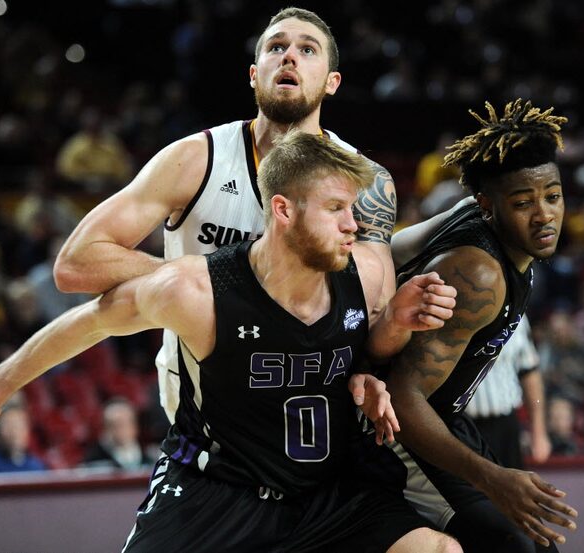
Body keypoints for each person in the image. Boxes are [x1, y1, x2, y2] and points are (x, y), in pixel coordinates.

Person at [0, 131, 460, 553]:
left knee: (437, 549)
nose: (354, 225)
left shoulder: (365, 270)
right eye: (337, 209)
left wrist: (382, 346)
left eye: (354, 210)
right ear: (283, 211)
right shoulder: (196, 289)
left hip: (325, 495)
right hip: (217, 491)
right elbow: (90, 321)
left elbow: (363, 351)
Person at [51, 7, 401, 428]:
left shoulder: (365, 180)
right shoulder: (195, 159)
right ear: (254, 73)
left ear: (332, 82)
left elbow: (377, 308)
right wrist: (196, 282)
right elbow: (76, 264)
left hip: (314, 405)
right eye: (276, 47)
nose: (289, 56)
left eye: (307, 49)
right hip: (204, 409)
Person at [358, 100, 578, 552]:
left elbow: (391, 250)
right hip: (394, 429)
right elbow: (404, 394)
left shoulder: (485, 224)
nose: (543, 215)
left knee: (535, 542)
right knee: (513, 544)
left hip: (443, 417)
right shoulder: (478, 274)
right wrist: (490, 477)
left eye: (552, 196)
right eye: (523, 203)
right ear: (488, 206)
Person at [465, 314, 551, 469]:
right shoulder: (451, 309)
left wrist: (539, 431)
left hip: (506, 426)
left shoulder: (517, 312)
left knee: (511, 490)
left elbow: (530, 372)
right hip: (462, 427)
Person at [81, 398, 156, 470]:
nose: (120, 429)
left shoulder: (151, 457)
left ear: (135, 427)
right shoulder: (93, 461)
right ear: (105, 428)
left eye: (124, 424)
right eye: (114, 424)